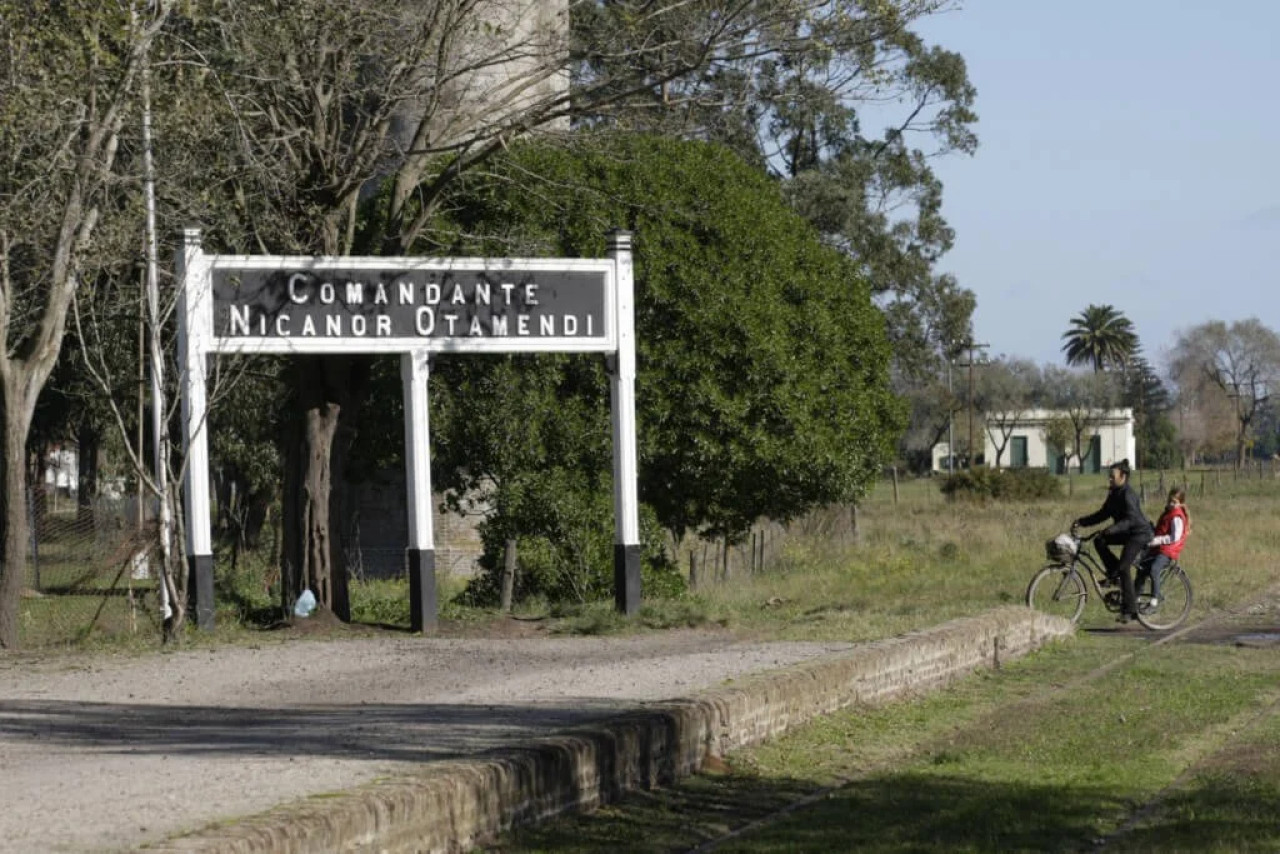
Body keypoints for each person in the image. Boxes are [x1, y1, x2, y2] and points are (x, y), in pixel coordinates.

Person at [1072, 459, 1154, 623]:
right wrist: (1081, 522)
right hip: (1126, 532)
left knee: (1124, 567)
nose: (1109, 479)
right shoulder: (1114, 492)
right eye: (1109, 476)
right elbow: (1103, 513)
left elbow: (1131, 520)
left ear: (1123, 476)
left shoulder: (1127, 494)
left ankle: (1130, 611)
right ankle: (1114, 576)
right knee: (1099, 540)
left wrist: (1112, 529)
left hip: (1139, 534)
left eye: (1112, 476)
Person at [1135, 486, 1189, 611]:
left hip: (1168, 551)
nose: (1171, 504)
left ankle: (1155, 600)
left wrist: (1157, 540)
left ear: (1181, 504)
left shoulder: (1177, 517)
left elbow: (1174, 537)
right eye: (1169, 501)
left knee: (1154, 569)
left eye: (1174, 502)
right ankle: (1136, 597)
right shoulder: (1168, 513)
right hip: (1159, 548)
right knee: (1141, 568)